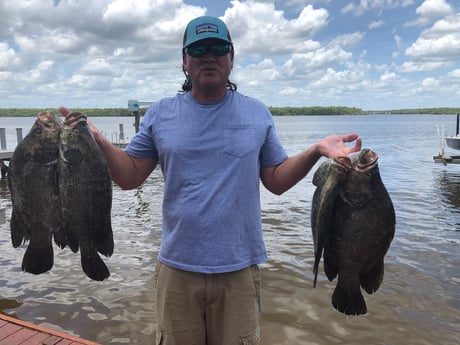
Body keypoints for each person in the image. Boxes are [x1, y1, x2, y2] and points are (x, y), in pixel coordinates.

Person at [60, 15, 361, 345]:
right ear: (184, 61)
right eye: (198, 48)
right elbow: (130, 175)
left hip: (239, 271)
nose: (209, 56)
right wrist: (101, 142)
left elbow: (275, 180)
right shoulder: (160, 114)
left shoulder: (257, 113)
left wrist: (316, 150)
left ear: (231, 57)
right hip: (177, 271)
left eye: (218, 47)